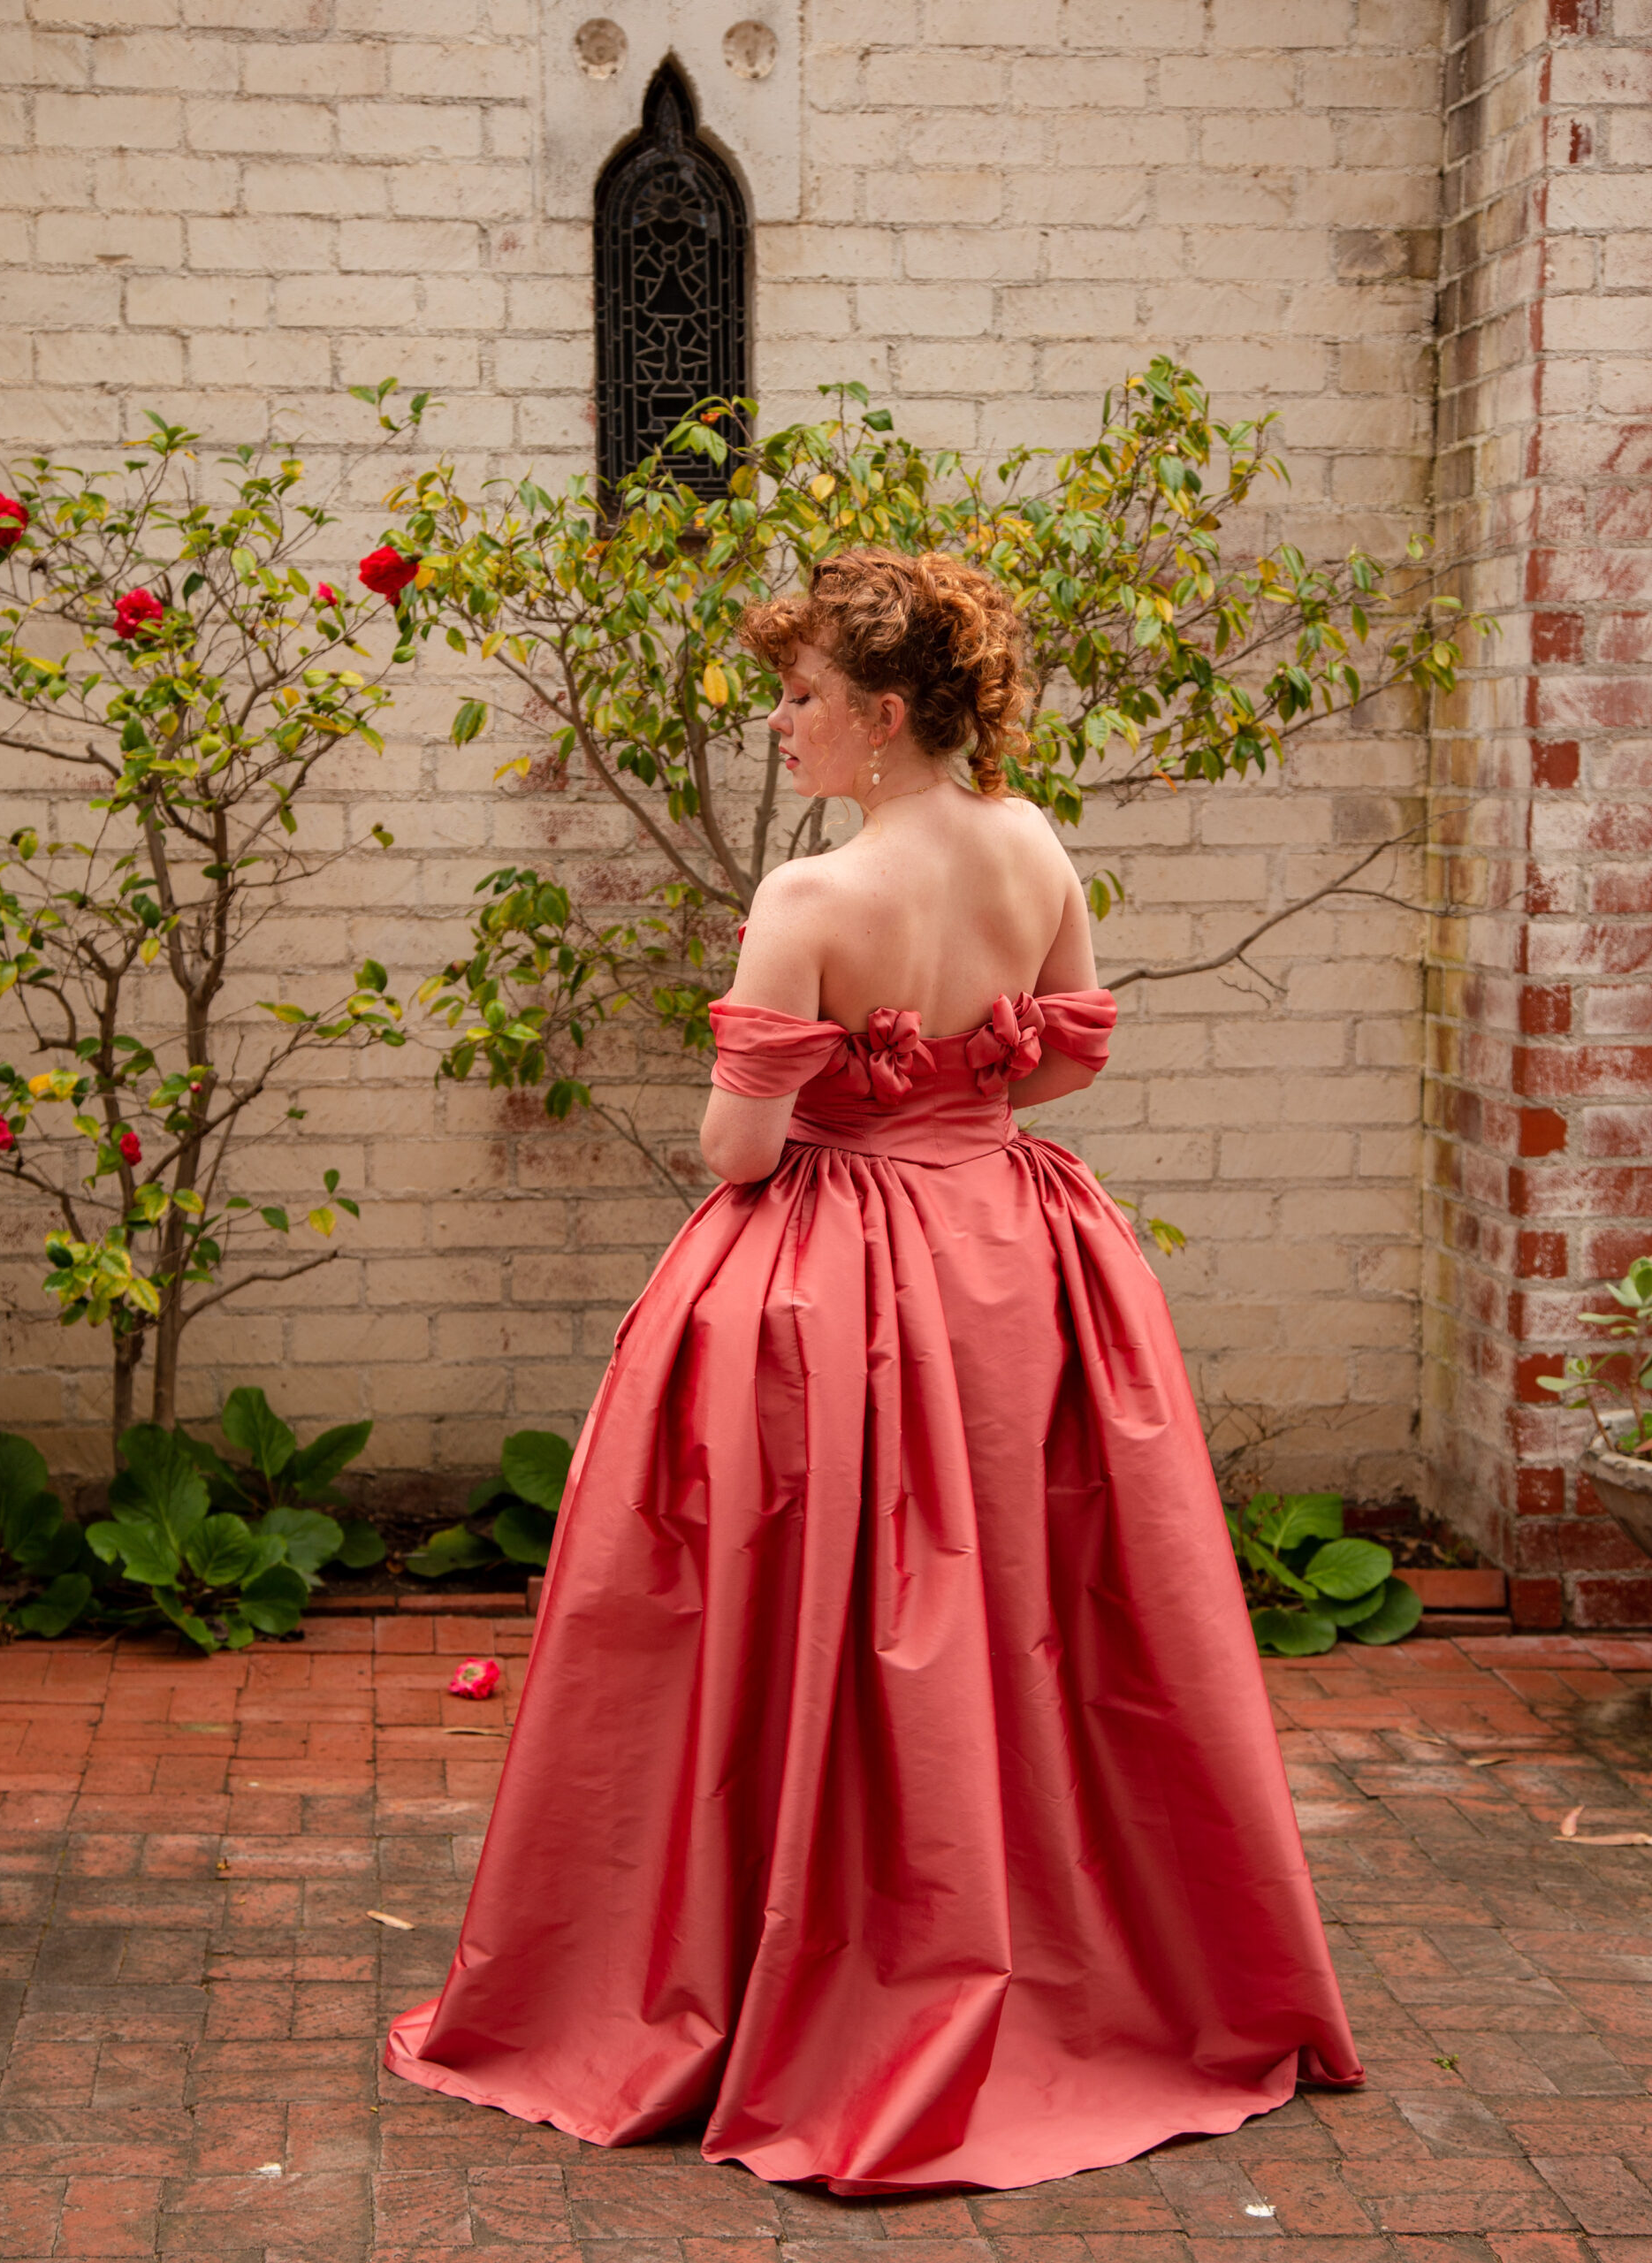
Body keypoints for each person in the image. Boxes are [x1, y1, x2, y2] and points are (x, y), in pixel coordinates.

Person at [385, 548, 1361, 2193]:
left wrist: (843, 1101)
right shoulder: (1033, 844)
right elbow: (1062, 1061)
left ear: (885, 715)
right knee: (1024, 1600)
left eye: (802, 698)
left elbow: (739, 1147)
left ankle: (830, 1948)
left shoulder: (808, 900)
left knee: (813, 1597)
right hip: (1020, 1259)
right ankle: (1053, 1950)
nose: (781, 724)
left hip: (837, 1281)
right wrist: (949, 1102)